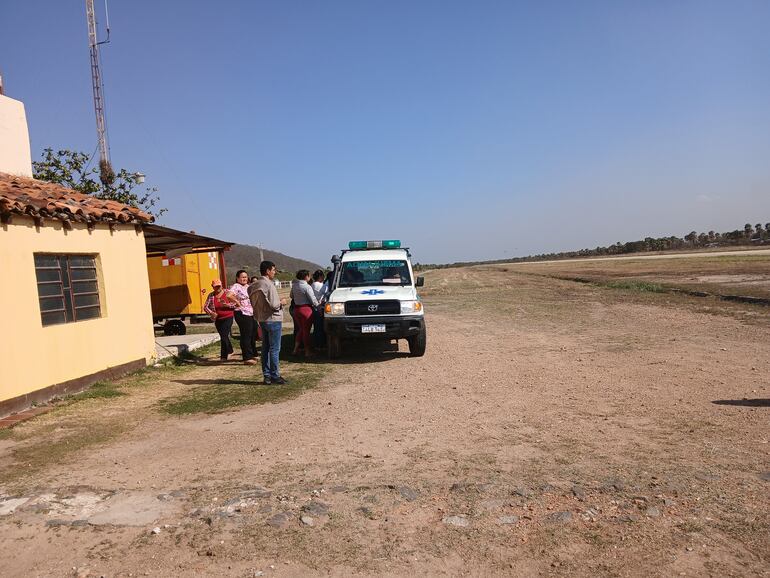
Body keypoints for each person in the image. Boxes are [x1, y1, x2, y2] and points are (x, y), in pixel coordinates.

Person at [249, 260, 288, 385]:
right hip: (273, 319)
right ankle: (275, 375)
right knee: (275, 349)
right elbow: (274, 305)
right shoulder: (269, 285)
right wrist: (282, 302)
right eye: (273, 270)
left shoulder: (254, 285)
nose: (274, 272)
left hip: (262, 319)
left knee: (265, 348)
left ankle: (266, 375)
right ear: (267, 271)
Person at [203, 279, 239, 361]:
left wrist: (227, 305)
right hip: (218, 319)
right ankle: (230, 350)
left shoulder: (228, 293)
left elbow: (236, 303)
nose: (218, 288)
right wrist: (211, 313)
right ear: (213, 287)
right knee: (224, 336)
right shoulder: (211, 295)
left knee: (223, 336)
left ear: (221, 285)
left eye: (219, 286)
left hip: (228, 317)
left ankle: (223, 356)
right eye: (216, 286)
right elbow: (205, 307)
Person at [230, 269, 258, 365]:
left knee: (253, 332)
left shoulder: (248, 287)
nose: (244, 279)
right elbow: (229, 295)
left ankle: (253, 353)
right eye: (242, 277)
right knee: (246, 334)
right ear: (237, 278)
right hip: (241, 312)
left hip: (251, 312)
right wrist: (237, 302)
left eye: (245, 277)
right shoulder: (236, 286)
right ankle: (247, 357)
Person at [290, 269, 320, 357]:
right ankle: (307, 351)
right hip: (306, 309)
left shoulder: (294, 286)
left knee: (301, 330)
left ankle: (295, 349)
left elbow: (291, 296)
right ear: (306, 276)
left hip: (296, 309)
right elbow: (313, 299)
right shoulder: (307, 286)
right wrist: (318, 308)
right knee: (306, 331)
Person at [311, 270, 326, 348]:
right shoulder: (321, 285)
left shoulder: (312, 285)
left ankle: (316, 343)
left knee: (316, 327)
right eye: (323, 276)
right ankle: (320, 344)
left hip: (314, 308)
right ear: (320, 276)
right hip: (320, 308)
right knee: (320, 327)